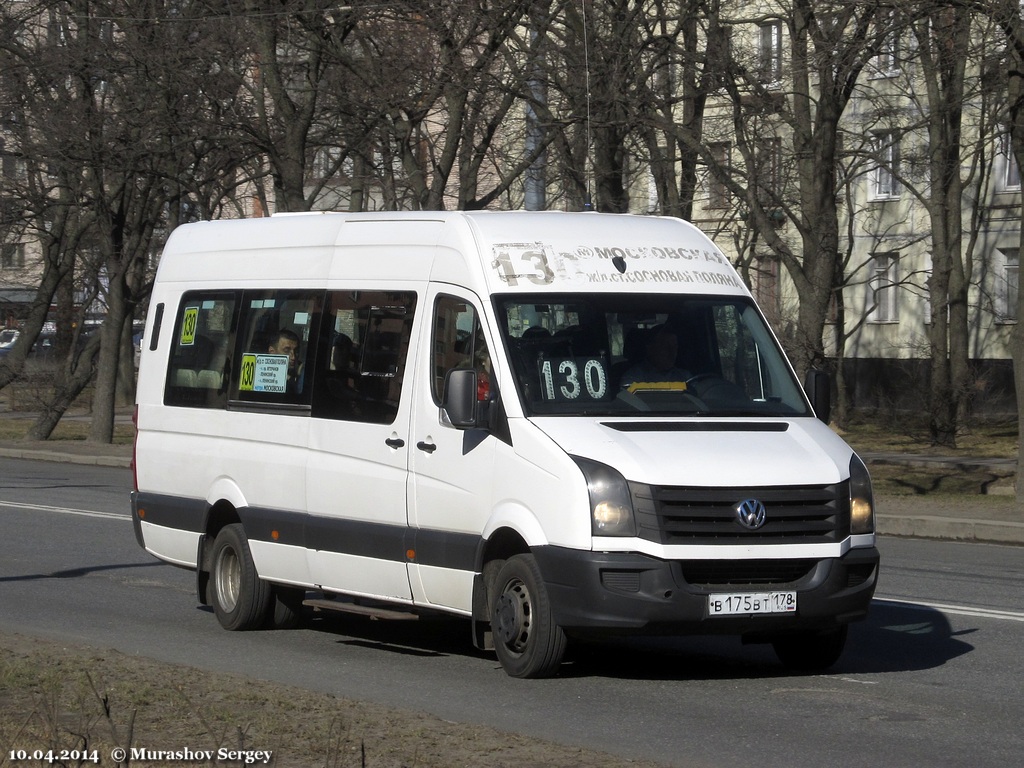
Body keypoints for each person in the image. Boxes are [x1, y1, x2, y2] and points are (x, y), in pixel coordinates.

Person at [619, 325, 689, 388]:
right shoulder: (633, 377)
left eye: (674, 346)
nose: (672, 352)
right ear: (650, 349)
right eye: (665, 346)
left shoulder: (686, 377)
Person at [268, 328, 302, 393]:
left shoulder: (301, 374)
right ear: (272, 352)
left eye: (296, 351)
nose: (293, 357)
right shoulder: (264, 378)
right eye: (286, 351)